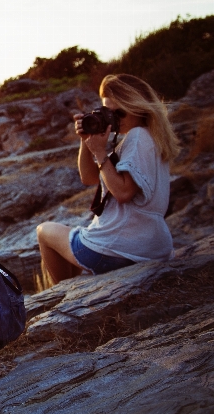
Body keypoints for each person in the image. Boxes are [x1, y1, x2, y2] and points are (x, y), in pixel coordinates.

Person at [37, 73, 181, 286]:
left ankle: (65, 294)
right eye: (108, 112)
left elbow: (123, 193)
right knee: (70, 236)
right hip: (149, 246)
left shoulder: (137, 137)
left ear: (137, 107)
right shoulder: (151, 137)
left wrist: (101, 154)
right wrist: (86, 141)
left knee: (44, 231)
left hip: (118, 248)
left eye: (120, 113)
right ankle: (71, 290)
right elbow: (89, 177)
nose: (114, 120)